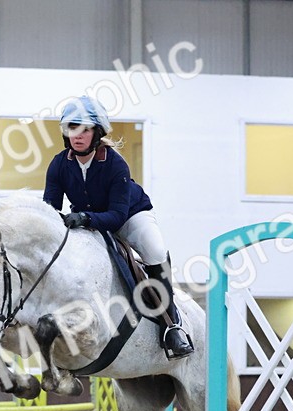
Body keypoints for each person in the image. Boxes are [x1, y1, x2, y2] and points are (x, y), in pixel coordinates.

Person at [42, 96, 193, 360]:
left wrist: (85, 218)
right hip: (88, 220)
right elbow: (50, 210)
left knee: (156, 251)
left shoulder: (115, 164)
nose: (77, 135)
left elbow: (116, 216)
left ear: (96, 133)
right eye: (72, 129)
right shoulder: (58, 164)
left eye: (84, 129)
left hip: (130, 217)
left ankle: (172, 326)